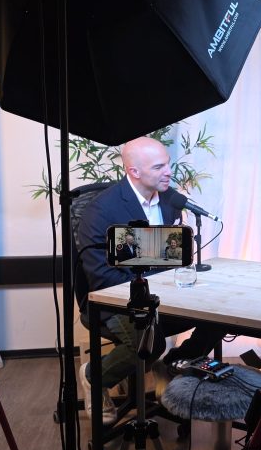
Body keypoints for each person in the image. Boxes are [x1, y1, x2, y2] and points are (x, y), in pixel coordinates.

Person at [77, 137, 225, 424]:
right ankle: (94, 376)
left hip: (165, 294)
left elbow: (171, 258)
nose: (169, 172)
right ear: (134, 171)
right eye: (159, 167)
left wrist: (182, 279)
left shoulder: (170, 202)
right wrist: (153, 285)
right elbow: (101, 277)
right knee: (149, 343)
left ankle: (174, 365)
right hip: (118, 300)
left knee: (221, 316)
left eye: (167, 164)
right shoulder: (101, 211)